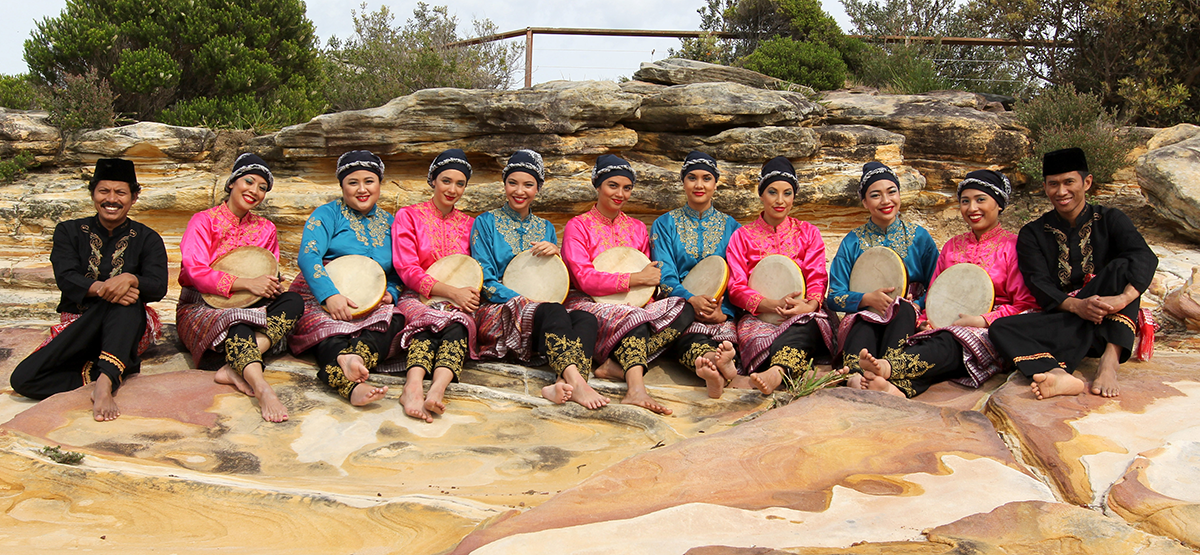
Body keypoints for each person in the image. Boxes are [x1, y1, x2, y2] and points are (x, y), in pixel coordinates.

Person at [850, 170, 1039, 397]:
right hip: (942, 326)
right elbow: (934, 295)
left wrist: (982, 320)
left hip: (988, 330)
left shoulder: (1014, 246)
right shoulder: (952, 246)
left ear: (999, 204)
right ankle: (893, 387)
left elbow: (1027, 305)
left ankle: (888, 369)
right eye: (965, 201)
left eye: (981, 200)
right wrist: (924, 321)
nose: (972, 208)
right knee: (910, 324)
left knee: (947, 344)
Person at [989, 148, 1158, 399]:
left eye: (1069, 182)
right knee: (1001, 328)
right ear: (1045, 188)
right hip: (1066, 320)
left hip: (1107, 321)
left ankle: (1109, 362)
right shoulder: (1033, 233)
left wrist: (1120, 300)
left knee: (1122, 266)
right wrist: (1078, 306)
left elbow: (1145, 257)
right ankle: (1057, 374)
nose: (1061, 191)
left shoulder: (1111, 219)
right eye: (1053, 184)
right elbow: (1038, 282)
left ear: (1086, 182)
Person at [10, 158, 168, 421]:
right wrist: (108, 288)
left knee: (127, 303)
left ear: (134, 197)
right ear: (93, 193)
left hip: (126, 324)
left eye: (120, 192)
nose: (111, 199)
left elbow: (158, 286)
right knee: (23, 379)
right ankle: (104, 372)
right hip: (80, 324)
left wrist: (130, 278)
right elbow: (66, 277)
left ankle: (105, 383)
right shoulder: (69, 231)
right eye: (104, 191)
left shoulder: (148, 238)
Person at [471, 149, 605, 408]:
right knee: (552, 310)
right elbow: (485, 281)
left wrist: (557, 254)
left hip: (542, 316)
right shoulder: (485, 223)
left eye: (528, 185)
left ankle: (561, 381)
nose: (519, 191)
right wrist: (525, 300)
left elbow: (554, 281)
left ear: (538, 189)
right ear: (504, 184)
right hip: (499, 312)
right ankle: (578, 383)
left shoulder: (545, 228)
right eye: (513, 183)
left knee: (586, 318)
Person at [562, 154, 695, 415]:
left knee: (683, 308)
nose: (620, 193)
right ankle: (636, 389)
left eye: (627, 187)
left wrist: (648, 285)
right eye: (613, 185)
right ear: (598, 185)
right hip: (588, 302)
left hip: (634, 301)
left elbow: (650, 275)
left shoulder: (636, 228)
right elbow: (584, 278)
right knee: (634, 315)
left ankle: (614, 365)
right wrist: (634, 280)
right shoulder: (577, 226)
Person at [176, 153, 304, 422]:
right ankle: (262, 387)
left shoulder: (265, 228)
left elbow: (267, 270)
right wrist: (246, 283)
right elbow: (195, 271)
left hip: (251, 303)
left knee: (294, 301)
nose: (254, 191)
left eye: (262, 188)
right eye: (249, 181)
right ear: (232, 182)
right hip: (202, 305)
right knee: (239, 321)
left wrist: (270, 286)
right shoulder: (203, 221)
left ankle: (234, 366)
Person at [289, 150, 399, 407]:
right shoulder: (327, 214)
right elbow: (308, 256)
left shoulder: (391, 222)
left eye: (369, 181)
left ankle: (357, 359)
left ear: (379, 184)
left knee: (395, 321)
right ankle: (348, 382)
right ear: (342, 186)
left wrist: (391, 292)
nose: (362, 189)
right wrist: (330, 295)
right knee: (327, 330)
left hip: (372, 299)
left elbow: (398, 269)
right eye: (353, 182)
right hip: (323, 291)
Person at [726, 156, 835, 395]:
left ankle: (775, 373)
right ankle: (789, 372)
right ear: (761, 195)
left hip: (802, 312)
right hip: (759, 317)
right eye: (772, 192)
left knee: (807, 327)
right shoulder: (742, 236)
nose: (780, 200)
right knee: (757, 338)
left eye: (787, 193)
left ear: (794, 196)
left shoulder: (808, 233)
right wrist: (771, 305)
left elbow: (817, 276)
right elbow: (736, 287)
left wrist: (809, 305)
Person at [393, 149, 479, 422]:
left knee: (459, 324)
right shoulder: (408, 216)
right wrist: (450, 291)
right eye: (446, 180)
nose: (452, 189)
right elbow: (407, 268)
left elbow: (478, 265)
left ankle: (438, 389)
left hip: (460, 299)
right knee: (427, 320)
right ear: (432, 180)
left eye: (460, 183)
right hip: (418, 295)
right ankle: (413, 385)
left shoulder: (470, 223)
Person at [827, 162, 939, 374]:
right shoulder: (852, 241)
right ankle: (855, 374)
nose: (886, 201)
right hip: (865, 314)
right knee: (862, 322)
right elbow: (834, 296)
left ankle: (886, 370)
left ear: (899, 195)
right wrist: (866, 299)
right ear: (865, 202)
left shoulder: (919, 237)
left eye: (892, 192)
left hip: (908, 315)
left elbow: (937, 285)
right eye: (876, 195)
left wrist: (917, 305)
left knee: (902, 311)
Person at [650, 151, 741, 398]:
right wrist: (691, 299)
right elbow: (665, 276)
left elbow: (739, 279)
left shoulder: (733, 228)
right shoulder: (664, 224)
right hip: (681, 306)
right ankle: (715, 365)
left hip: (720, 311)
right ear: (683, 182)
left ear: (715, 183)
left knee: (729, 336)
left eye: (706, 178)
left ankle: (718, 362)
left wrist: (724, 313)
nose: (699, 185)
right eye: (692, 177)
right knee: (685, 337)